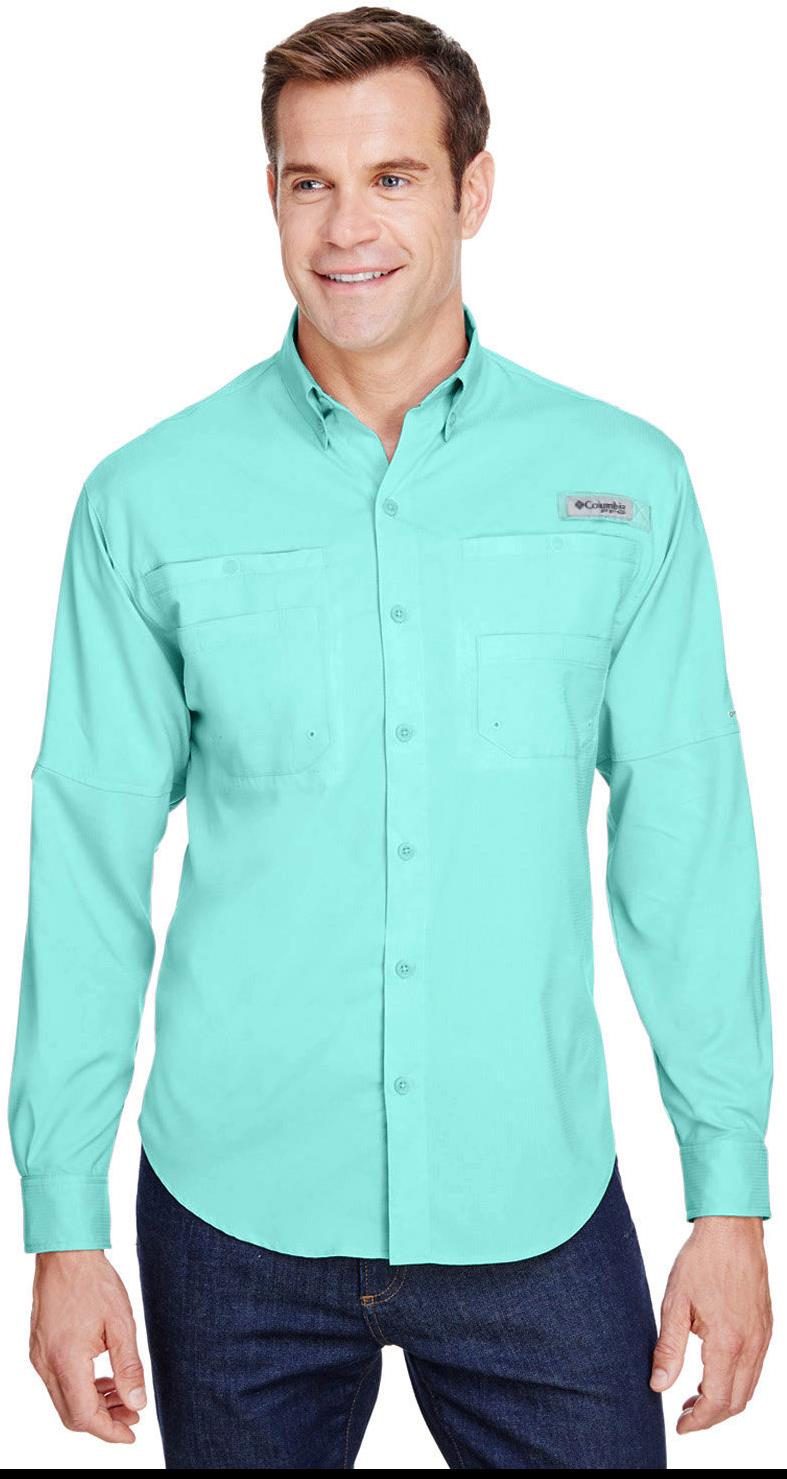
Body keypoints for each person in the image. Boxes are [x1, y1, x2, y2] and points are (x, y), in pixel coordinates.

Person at [8, 5, 773, 1470]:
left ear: (474, 190)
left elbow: (689, 846)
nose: (347, 227)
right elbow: (86, 860)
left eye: (394, 178)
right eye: (310, 182)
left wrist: (729, 1198)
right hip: (233, 1211)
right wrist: (62, 1223)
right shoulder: (144, 501)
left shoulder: (626, 486)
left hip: (532, 1198)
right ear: (271, 195)